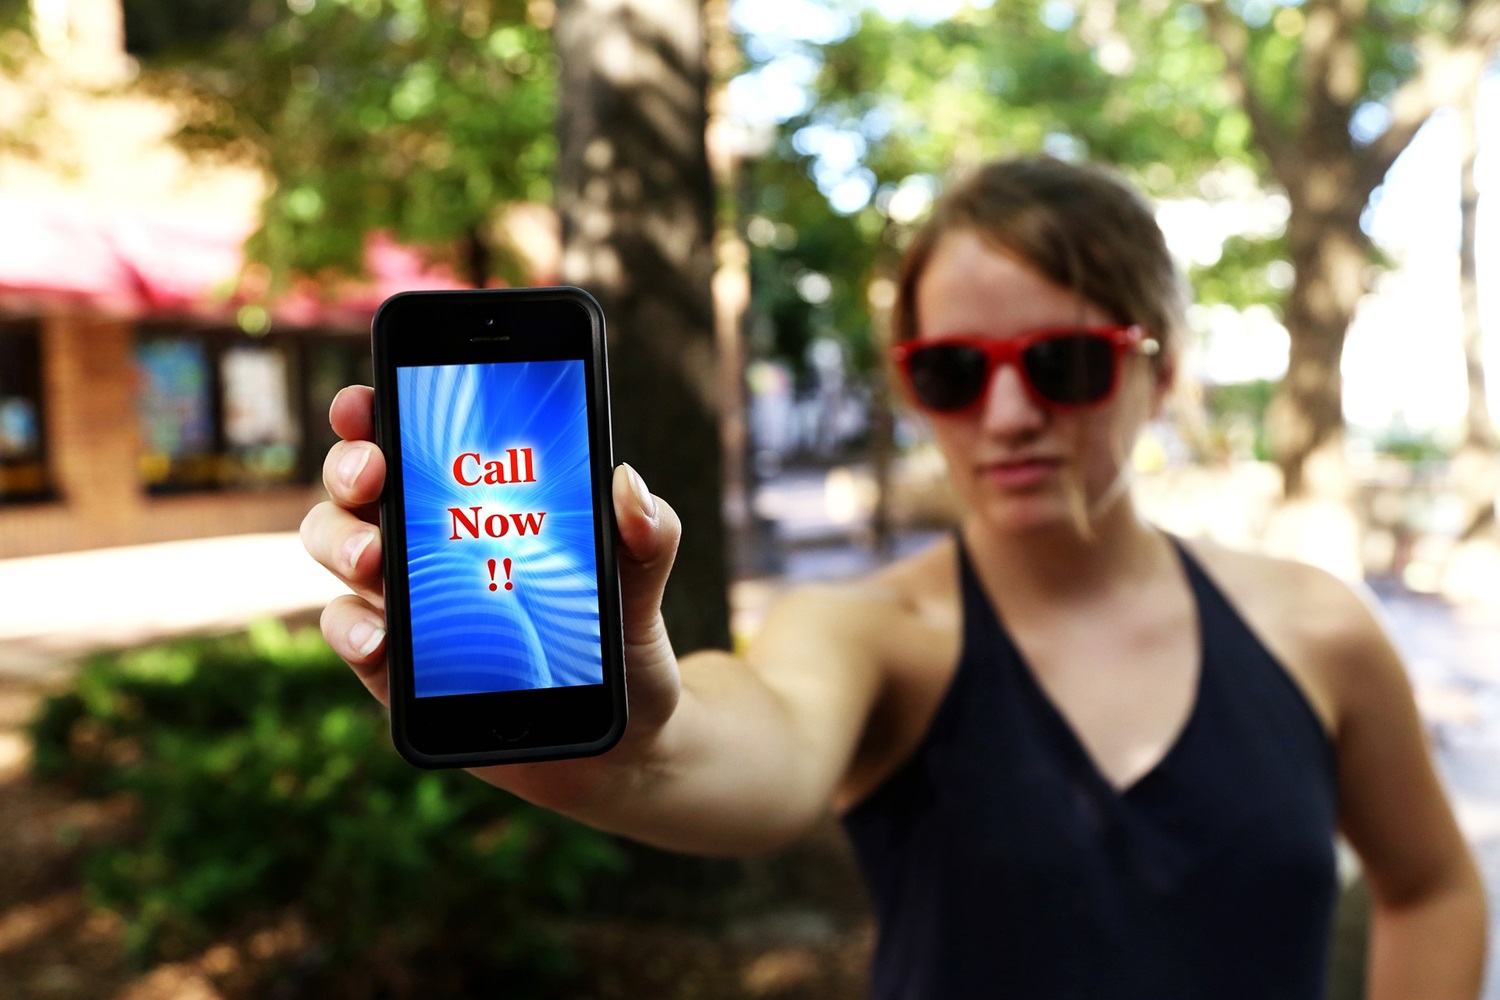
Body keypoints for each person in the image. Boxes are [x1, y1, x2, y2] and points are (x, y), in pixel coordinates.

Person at [301, 156, 1486, 998]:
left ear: (1161, 370)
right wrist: (621, 726)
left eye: (1066, 362)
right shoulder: (871, 634)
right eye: (953, 371)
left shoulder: (1315, 629)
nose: (1008, 414)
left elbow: (1433, 884)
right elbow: (729, 746)